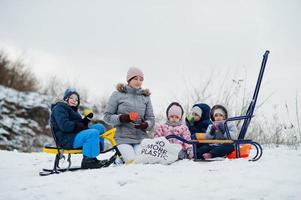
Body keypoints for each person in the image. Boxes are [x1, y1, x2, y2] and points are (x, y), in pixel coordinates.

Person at [104, 67, 155, 163]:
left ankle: (120, 159)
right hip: (122, 138)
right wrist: (122, 118)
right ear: (129, 80)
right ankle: (119, 160)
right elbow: (107, 116)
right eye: (135, 79)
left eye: (141, 79)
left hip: (140, 138)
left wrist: (145, 124)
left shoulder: (145, 97)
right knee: (131, 160)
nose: (138, 82)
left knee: (143, 160)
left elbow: (151, 119)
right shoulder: (117, 94)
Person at [50, 88, 107, 169]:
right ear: (66, 98)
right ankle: (88, 161)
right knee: (92, 133)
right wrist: (79, 124)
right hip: (66, 139)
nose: (74, 100)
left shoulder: (73, 111)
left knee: (99, 127)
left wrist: (85, 121)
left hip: (74, 136)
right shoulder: (59, 108)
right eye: (72, 98)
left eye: (76, 99)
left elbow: (79, 126)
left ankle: (94, 153)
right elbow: (65, 126)